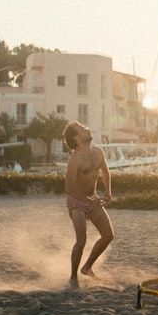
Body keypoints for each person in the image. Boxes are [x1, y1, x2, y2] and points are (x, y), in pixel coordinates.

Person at [63, 121, 115, 288]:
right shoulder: (74, 159)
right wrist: (86, 201)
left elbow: (106, 173)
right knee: (81, 240)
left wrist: (108, 191)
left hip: (92, 198)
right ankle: (73, 278)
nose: (87, 129)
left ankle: (86, 267)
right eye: (82, 130)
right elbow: (69, 188)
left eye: (85, 127)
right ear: (75, 138)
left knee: (108, 235)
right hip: (77, 201)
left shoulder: (98, 152)